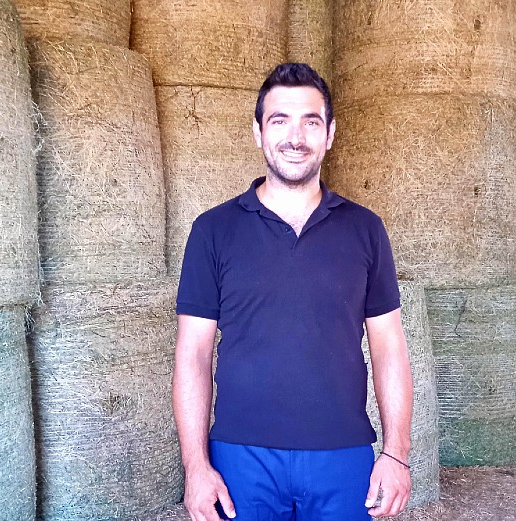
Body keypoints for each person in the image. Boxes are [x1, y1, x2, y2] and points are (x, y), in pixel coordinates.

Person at [172, 63, 413, 521]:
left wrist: (396, 454)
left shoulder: (365, 229)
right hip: (241, 457)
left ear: (330, 134)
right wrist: (196, 466)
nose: (295, 137)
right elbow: (193, 355)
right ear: (259, 133)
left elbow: (389, 348)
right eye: (280, 120)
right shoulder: (213, 231)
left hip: (343, 454)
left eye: (311, 122)